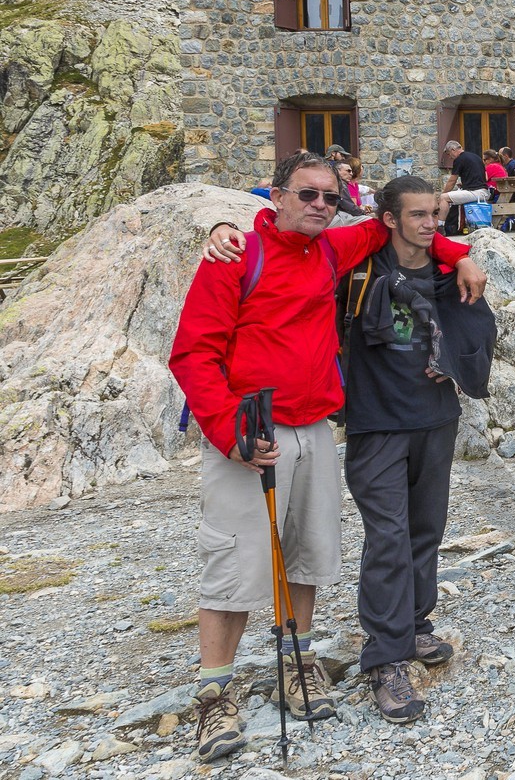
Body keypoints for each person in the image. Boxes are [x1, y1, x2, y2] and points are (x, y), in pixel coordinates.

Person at [171, 153, 480, 762]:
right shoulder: (237, 260)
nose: (319, 205)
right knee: (235, 563)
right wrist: (232, 429)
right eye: (307, 194)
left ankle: (298, 661)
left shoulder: (332, 250)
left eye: (330, 198)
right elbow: (193, 354)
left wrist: (458, 254)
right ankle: (213, 694)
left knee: (306, 554)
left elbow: (409, 228)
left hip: (314, 426)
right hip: (250, 432)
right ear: (276, 196)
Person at [341, 176, 497, 723]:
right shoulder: (359, 273)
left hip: (435, 417)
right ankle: (385, 659)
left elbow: (476, 331)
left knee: (426, 528)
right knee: (388, 535)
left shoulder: (448, 272)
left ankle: (414, 625)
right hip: (375, 422)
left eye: (436, 213)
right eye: (418, 216)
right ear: (388, 219)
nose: (431, 224)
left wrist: (459, 259)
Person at [440, 140, 489, 231]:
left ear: (453, 149)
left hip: (475, 192)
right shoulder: (476, 157)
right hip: (483, 191)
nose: (450, 157)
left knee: (444, 198)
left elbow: (452, 181)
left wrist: (443, 195)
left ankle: (440, 227)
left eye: (448, 154)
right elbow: (485, 177)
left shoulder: (459, 159)